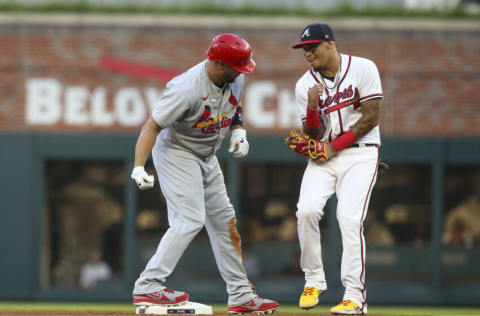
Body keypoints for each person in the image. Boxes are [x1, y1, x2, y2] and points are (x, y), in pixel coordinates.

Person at [129, 33, 279, 314]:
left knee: (225, 222)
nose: (242, 72)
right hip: (177, 151)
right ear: (219, 64)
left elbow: (234, 105)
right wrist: (139, 165)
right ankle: (148, 284)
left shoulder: (235, 77)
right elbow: (152, 126)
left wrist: (239, 130)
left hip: (207, 155)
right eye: (237, 67)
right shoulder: (186, 88)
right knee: (189, 218)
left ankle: (241, 295)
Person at [291, 23, 383, 315]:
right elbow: (313, 136)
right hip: (323, 157)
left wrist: (333, 146)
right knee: (305, 210)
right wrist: (310, 108)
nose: (308, 53)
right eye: (304, 49)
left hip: (360, 156)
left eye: (313, 47)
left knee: (348, 218)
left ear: (330, 43)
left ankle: (354, 297)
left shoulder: (364, 68)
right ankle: (313, 280)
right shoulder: (304, 84)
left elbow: (370, 118)